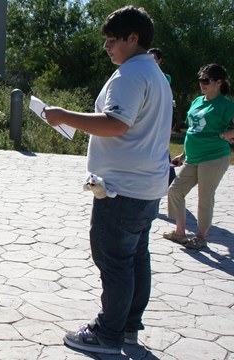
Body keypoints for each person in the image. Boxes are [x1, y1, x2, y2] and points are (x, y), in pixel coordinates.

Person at [44, 6, 172, 354]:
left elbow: (117, 123)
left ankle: (107, 335)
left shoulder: (131, 74)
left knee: (115, 263)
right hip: (146, 188)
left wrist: (62, 115)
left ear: (134, 39)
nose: (107, 47)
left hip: (121, 190)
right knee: (135, 259)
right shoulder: (155, 74)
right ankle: (128, 328)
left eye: (113, 40)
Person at [164, 64, 234, 250]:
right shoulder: (197, 101)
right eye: (200, 80)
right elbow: (193, 130)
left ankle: (201, 237)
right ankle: (180, 232)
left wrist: (226, 135)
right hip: (192, 157)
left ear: (219, 82)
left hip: (214, 157)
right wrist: (183, 154)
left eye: (206, 80)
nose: (202, 84)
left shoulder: (226, 105)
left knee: (205, 196)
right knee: (175, 191)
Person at [147, 48, 176, 185]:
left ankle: (170, 178)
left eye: (154, 58)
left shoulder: (164, 77)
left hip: (160, 116)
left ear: (159, 61)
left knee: (161, 146)